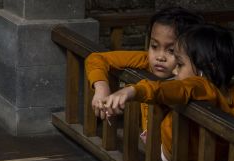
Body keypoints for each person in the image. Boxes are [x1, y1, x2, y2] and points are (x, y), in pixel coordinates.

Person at [101, 24, 234, 161]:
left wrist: (132, 91)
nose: (175, 71)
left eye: (180, 64)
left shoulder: (201, 85)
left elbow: (182, 87)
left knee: (166, 91)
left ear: (207, 70)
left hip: (184, 155)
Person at [85, 7, 204, 139]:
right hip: (151, 147)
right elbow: (96, 58)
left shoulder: (195, 78)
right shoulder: (145, 61)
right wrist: (101, 87)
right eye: (154, 46)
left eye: (171, 51)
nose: (160, 57)